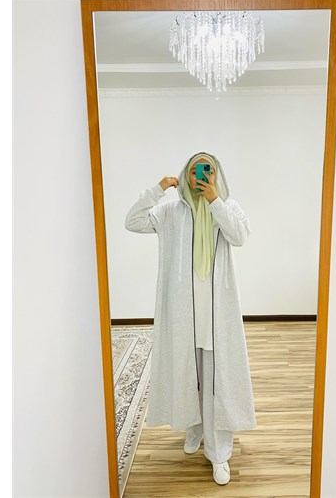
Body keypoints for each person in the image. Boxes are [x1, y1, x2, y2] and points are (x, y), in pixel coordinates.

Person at [125, 151, 257, 485]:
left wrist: (214, 201)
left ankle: (219, 452)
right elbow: (133, 221)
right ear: (186, 174)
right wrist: (157, 189)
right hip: (184, 317)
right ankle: (195, 429)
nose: (201, 176)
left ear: (216, 175)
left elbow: (240, 236)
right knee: (189, 377)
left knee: (216, 383)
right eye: (195, 170)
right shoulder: (171, 211)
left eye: (207, 170)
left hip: (217, 318)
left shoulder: (228, 207)